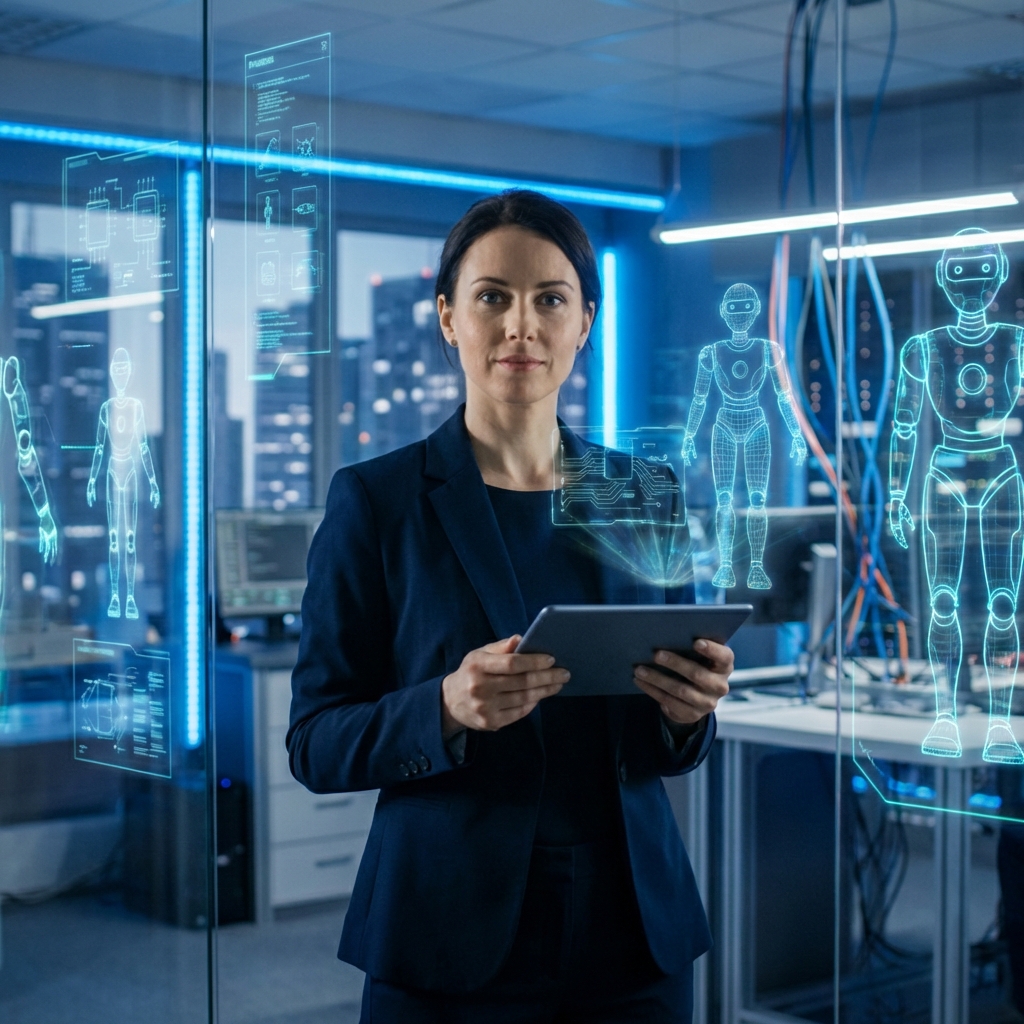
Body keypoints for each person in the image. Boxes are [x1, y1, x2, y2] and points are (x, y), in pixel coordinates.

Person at [288, 189, 733, 1023]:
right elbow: (315, 742)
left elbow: (670, 745)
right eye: (492, 296)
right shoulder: (377, 503)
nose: (521, 326)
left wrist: (686, 713)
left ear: (585, 322)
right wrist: (444, 707)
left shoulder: (646, 494)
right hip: (446, 932)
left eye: (550, 300)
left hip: (632, 929)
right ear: (449, 318)